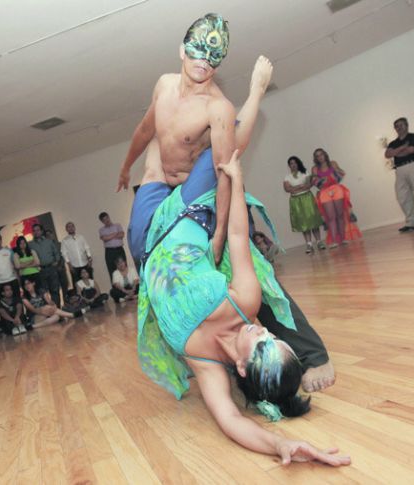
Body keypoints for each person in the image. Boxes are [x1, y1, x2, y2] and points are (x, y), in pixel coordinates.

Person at [117, 21, 335, 393]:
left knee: (246, 270)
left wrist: (219, 232)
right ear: (182, 50)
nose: (204, 62)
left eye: (213, 58)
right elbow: (143, 130)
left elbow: (226, 165)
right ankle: (202, 352)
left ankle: (312, 354)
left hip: (200, 189)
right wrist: (125, 166)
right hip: (157, 185)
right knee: (142, 251)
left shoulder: (216, 105)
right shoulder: (164, 85)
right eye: (198, 52)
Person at [138, 148, 350, 465]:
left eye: (262, 347)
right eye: (275, 339)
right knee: (215, 136)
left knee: (152, 165)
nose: (263, 332)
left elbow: (231, 421)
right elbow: (237, 235)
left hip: (143, 242)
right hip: (181, 216)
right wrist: (236, 180)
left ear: (241, 368)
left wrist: (280, 444)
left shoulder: (206, 365)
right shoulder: (245, 302)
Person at [384, 117, 414, 232]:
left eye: (401, 125)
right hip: (400, 170)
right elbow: (387, 154)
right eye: (396, 126)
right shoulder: (393, 143)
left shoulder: (413, 137)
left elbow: (411, 150)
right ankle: (411, 223)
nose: (399, 128)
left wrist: (397, 152)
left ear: (407, 125)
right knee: (403, 196)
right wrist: (402, 147)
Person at [311, 148, 362, 248]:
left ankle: (343, 239)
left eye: (321, 154)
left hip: (337, 189)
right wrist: (322, 181)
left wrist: (331, 176)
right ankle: (334, 241)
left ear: (325, 155)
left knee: (340, 215)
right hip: (324, 192)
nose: (320, 157)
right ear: (315, 158)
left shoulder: (333, 163)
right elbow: (315, 182)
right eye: (317, 156)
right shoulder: (315, 169)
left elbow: (341, 174)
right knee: (331, 217)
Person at [283, 156, 324, 253]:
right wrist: (300, 186)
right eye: (291, 163)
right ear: (289, 165)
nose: (293, 165)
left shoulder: (305, 173)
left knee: (312, 219)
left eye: (295, 163)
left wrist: (296, 188)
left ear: (298, 163)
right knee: (303, 222)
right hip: (296, 201)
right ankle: (309, 244)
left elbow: (308, 186)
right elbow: (287, 189)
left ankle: (319, 242)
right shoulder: (287, 177)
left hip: (307, 198)